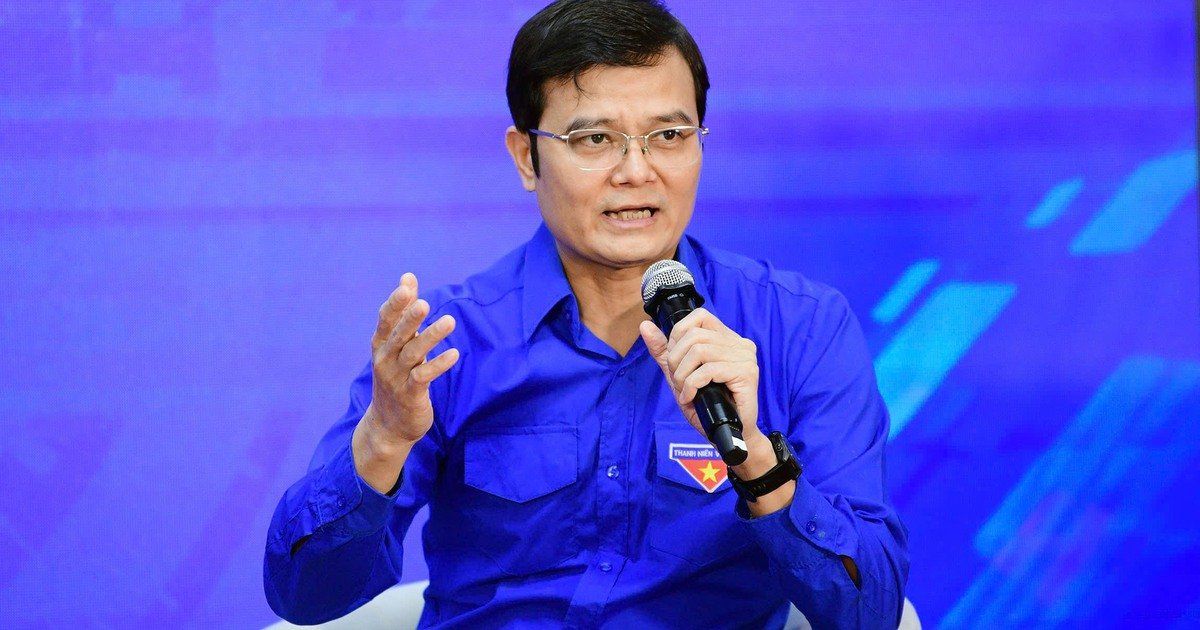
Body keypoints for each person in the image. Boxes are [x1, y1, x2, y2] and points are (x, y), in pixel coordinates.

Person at [263, 1, 909, 627]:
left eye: (669, 135)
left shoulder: (800, 329)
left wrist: (758, 461)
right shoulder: (450, 343)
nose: (636, 171)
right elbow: (304, 597)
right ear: (526, 157)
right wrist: (382, 440)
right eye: (595, 138)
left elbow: (871, 612)